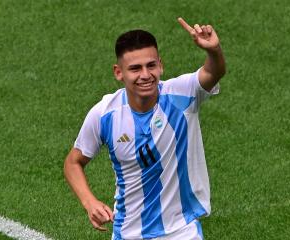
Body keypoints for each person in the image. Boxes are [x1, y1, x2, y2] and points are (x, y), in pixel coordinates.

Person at [64, 17, 226, 240]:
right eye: (135, 68)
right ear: (118, 73)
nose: (145, 75)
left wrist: (214, 50)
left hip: (181, 231)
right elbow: (73, 163)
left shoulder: (181, 95)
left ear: (161, 65)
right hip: (128, 233)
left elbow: (213, 72)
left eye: (151, 65)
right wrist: (89, 202)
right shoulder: (104, 114)